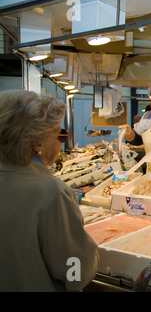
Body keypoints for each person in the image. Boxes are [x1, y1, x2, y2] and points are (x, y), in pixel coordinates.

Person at [0, 90, 99, 291]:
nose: (62, 142)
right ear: (37, 142)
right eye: (60, 134)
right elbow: (76, 272)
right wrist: (91, 255)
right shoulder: (51, 193)